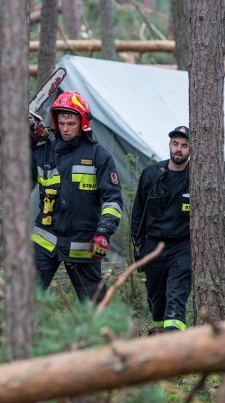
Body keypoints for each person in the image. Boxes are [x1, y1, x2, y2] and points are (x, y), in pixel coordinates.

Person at [30, 90, 123, 302]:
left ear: (82, 122)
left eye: (71, 123)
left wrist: (104, 233)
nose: (65, 129)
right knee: (27, 301)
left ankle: (104, 336)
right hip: (46, 241)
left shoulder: (99, 155)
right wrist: (29, 141)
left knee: (95, 308)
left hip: (83, 244)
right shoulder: (44, 151)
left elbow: (113, 200)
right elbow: (16, 172)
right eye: (61, 123)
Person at [130, 125, 192, 333]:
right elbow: (137, 212)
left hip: (182, 247)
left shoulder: (196, 179)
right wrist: (138, 245)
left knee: (176, 296)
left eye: (184, 145)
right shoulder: (151, 174)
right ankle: (158, 339)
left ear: (191, 150)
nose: (179, 149)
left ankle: (175, 343)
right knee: (155, 299)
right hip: (153, 245)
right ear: (169, 145)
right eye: (175, 144)